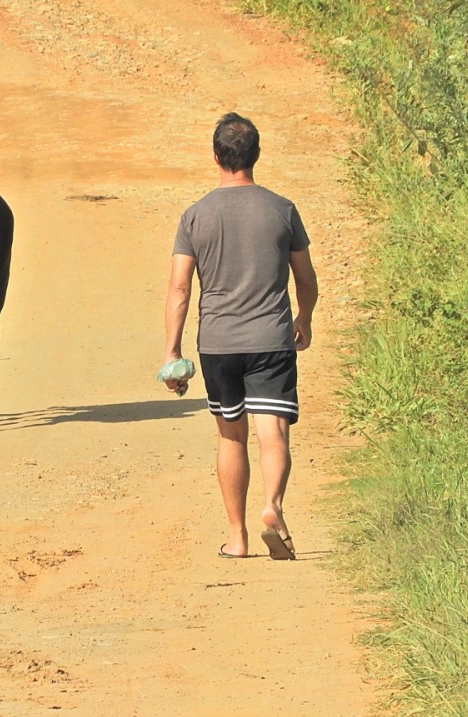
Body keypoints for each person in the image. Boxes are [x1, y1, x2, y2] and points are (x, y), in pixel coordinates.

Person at [161, 112, 319, 560]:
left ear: (217, 156)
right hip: (271, 337)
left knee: (231, 435)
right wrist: (303, 317)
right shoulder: (282, 209)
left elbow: (179, 288)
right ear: (256, 156)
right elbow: (305, 277)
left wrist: (173, 352)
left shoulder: (196, 216)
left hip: (218, 343)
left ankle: (238, 537)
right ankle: (273, 506)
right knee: (273, 432)